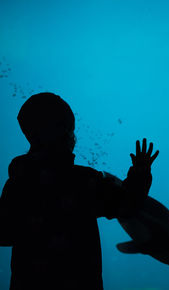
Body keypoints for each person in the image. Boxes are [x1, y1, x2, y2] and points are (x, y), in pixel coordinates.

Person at [0, 92, 159, 290]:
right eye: (66, 128)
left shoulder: (18, 185)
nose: (71, 135)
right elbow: (127, 204)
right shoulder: (83, 181)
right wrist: (140, 172)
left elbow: (4, 234)